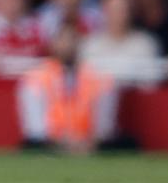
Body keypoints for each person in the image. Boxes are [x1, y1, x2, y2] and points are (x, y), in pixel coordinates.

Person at [18, 24, 121, 153]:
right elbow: (35, 128)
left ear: (80, 44)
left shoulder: (99, 79)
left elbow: (105, 127)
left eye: (72, 40)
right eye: (63, 40)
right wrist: (61, 143)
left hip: (90, 147)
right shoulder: (35, 78)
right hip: (48, 148)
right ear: (52, 44)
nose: (67, 45)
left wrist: (87, 143)